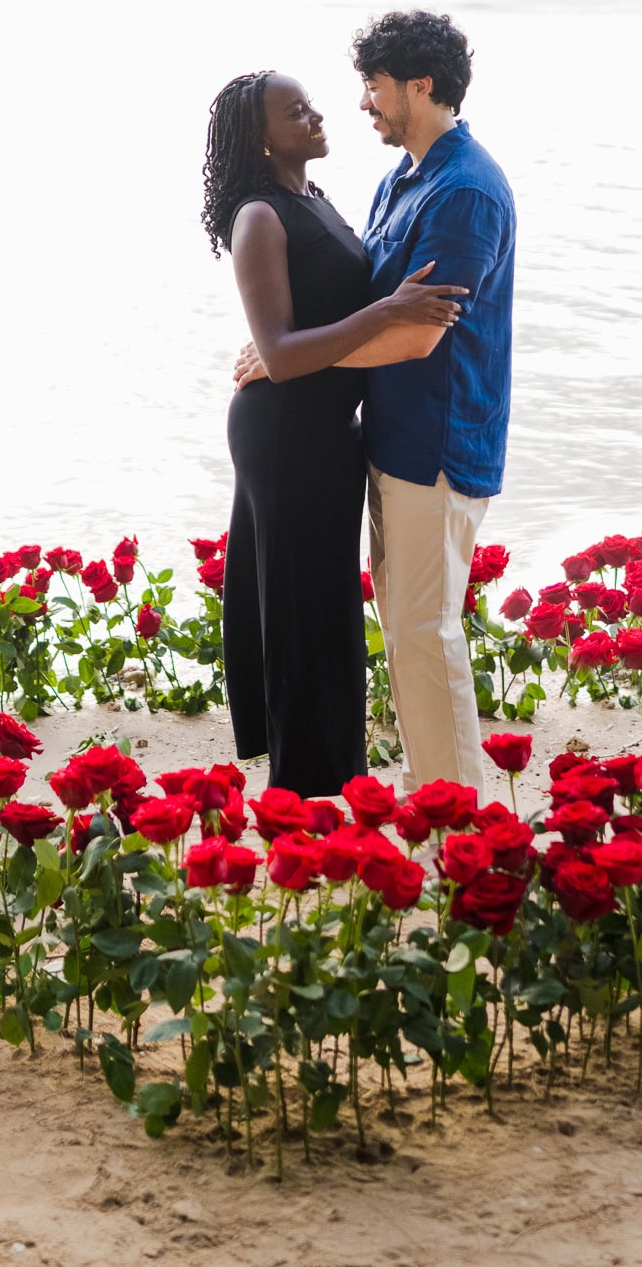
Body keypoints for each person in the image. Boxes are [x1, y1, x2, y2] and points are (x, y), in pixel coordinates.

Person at [202, 70, 468, 796]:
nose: (318, 115)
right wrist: (388, 314)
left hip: (322, 430)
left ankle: (327, 779)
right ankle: (304, 792)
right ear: (262, 137)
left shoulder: (309, 199)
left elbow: (304, 332)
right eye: (298, 112)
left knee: (322, 607)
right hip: (285, 432)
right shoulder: (259, 215)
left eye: (312, 104)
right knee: (301, 609)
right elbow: (284, 354)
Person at [352, 10, 516, 801]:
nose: (365, 104)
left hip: (441, 446)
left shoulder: (466, 193)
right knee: (407, 633)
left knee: (425, 631)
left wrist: (290, 362)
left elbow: (416, 336)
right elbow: (374, 302)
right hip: (395, 439)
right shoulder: (404, 177)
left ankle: (459, 817)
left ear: (420, 86)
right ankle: (432, 793)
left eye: (375, 88)